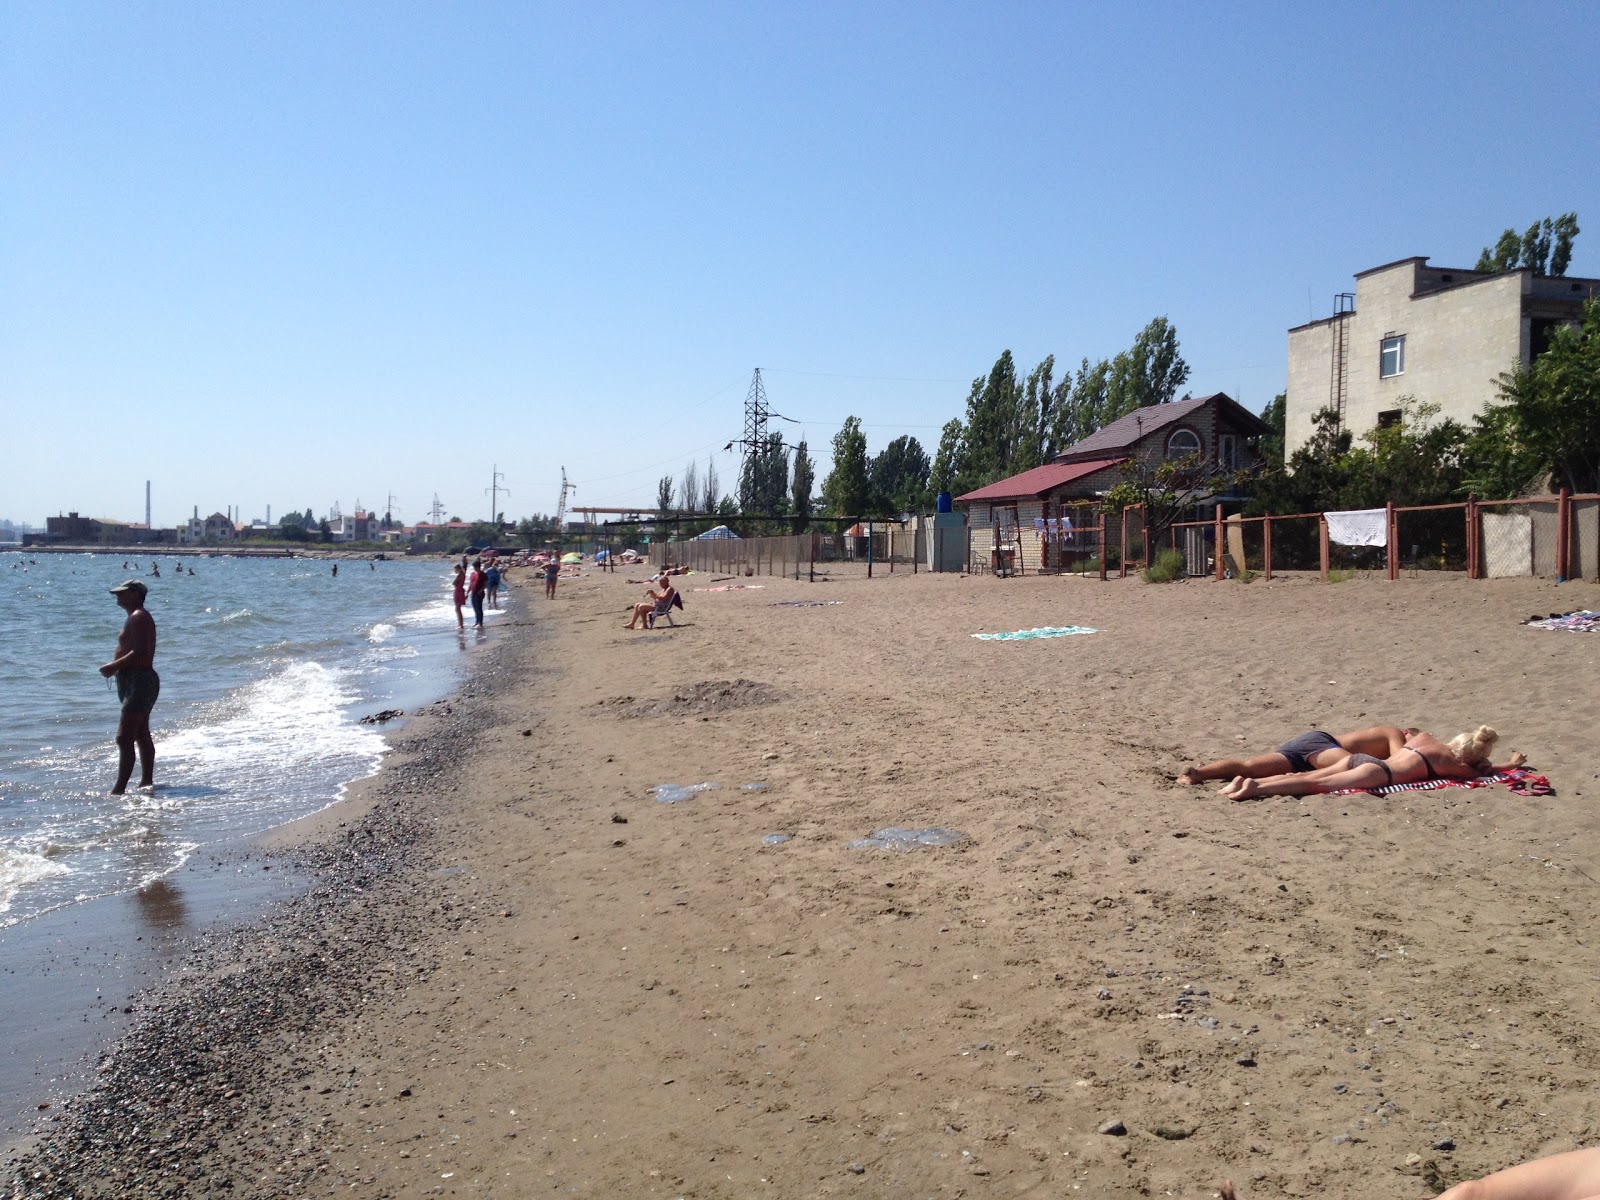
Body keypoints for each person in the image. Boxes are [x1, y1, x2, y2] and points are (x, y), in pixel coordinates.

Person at [1217, 725, 1527, 801]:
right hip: (1378, 772)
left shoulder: (1425, 738)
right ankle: (1254, 789)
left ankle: (1247, 780)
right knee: (1315, 783)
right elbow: (1484, 773)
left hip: (1359, 759)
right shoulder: (1456, 765)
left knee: (1312, 774)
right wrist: (1509, 765)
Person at [1178, 726, 1411, 785]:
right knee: (1350, 766)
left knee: (1247, 766)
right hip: (1323, 745)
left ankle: (1199, 773)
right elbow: (1401, 762)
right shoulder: (1394, 732)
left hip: (1306, 747)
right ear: (1408, 733)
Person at [99, 579, 159, 795]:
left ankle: (118, 790)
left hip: (140, 681)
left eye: (122, 593)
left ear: (134, 594)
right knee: (141, 732)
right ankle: (146, 782)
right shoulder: (135, 617)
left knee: (124, 737)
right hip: (135, 680)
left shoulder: (139, 617)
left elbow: (141, 652)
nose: (118, 597)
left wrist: (113, 666)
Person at [468, 557, 487, 627]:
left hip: (479, 593)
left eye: (475, 567)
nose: (474, 568)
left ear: (478, 567)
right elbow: (471, 583)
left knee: (479, 608)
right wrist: (467, 592)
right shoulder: (472, 574)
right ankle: (477, 621)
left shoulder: (483, 574)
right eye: (474, 567)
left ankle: (480, 622)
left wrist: (481, 590)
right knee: (475, 608)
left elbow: (485, 584)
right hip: (473, 593)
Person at [451, 563, 467, 630]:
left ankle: (460, 624)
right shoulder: (463, 574)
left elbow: (453, 583)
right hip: (460, 590)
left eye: (455, 569)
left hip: (458, 591)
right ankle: (460, 624)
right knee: (458, 608)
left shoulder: (459, 575)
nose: (455, 571)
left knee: (457, 608)